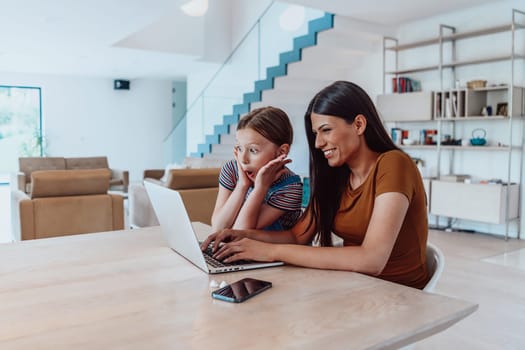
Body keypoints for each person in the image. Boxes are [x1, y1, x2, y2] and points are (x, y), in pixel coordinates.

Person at [203, 81, 430, 289]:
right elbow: (296, 237)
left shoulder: (394, 164)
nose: (318, 143)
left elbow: (372, 260)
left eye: (326, 130)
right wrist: (238, 235)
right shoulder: (337, 176)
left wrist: (270, 251)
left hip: (397, 294)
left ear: (359, 125)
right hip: (355, 285)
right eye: (315, 133)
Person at [211, 106, 303, 232]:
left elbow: (240, 233)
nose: (243, 159)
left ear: (281, 152)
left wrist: (261, 188)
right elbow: (218, 228)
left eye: (253, 150)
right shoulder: (232, 170)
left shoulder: (290, 187)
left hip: (270, 249)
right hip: (238, 248)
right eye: (239, 148)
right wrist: (242, 185)